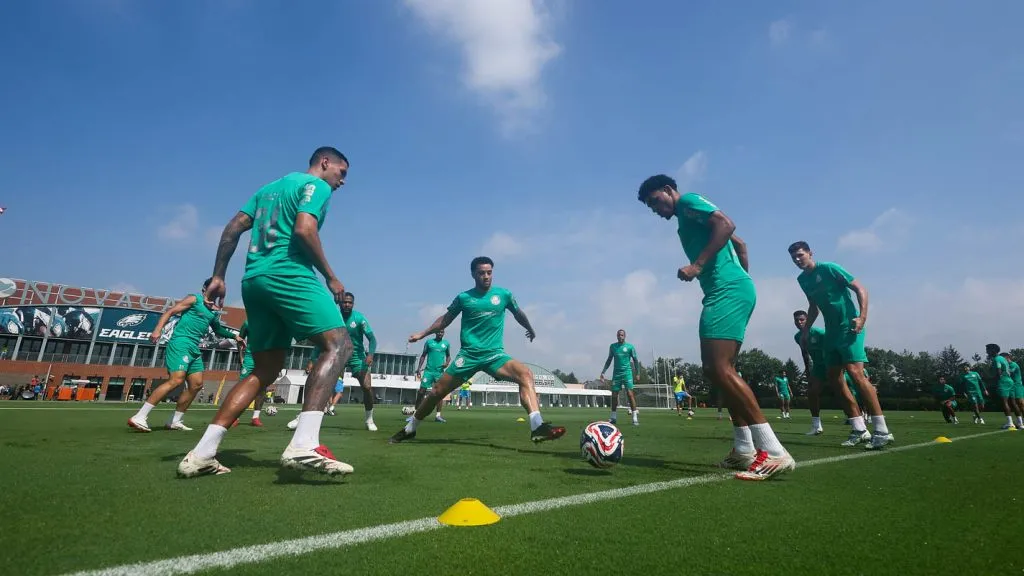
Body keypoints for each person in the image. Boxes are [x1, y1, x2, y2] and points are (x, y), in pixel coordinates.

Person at [177, 146, 356, 478]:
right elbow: (304, 229)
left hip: (254, 280)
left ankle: (202, 452)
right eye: (342, 173)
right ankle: (304, 443)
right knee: (340, 345)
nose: (342, 181)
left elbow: (232, 228)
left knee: (267, 367)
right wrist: (331, 277)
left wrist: (218, 275)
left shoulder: (267, 189)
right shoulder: (315, 187)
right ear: (325, 163)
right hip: (289, 274)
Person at [637, 174, 794, 481]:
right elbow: (740, 244)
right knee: (719, 371)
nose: (655, 210)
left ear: (669, 191)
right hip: (729, 289)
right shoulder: (686, 218)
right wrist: (742, 278)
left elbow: (727, 225)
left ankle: (774, 451)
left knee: (718, 368)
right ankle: (744, 449)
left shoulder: (689, 203)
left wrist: (700, 266)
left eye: (655, 201)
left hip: (726, 292)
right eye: (649, 206)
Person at [390, 256, 566, 444]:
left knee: (525, 374)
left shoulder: (503, 295)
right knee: (436, 392)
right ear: (473, 274)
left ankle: (537, 426)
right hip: (469, 356)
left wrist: (529, 328)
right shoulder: (464, 298)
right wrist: (422, 333)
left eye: (489, 272)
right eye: (481, 273)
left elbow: (518, 313)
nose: (486, 276)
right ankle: (411, 428)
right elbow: (446, 319)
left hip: (495, 355)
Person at [789, 241, 893, 450]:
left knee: (856, 373)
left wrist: (862, 317)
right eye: (794, 257)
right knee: (834, 378)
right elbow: (813, 307)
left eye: (800, 255)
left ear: (810, 253)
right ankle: (859, 429)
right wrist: (806, 331)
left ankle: (882, 431)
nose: (798, 260)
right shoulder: (802, 280)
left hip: (849, 326)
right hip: (831, 332)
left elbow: (860, 288)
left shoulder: (829, 268)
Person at [128, 279, 244, 432]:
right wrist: (158, 329)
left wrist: (235, 336)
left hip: (194, 348)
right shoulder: (194, 299)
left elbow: (218, 330)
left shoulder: (213, 311)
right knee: (176, 380)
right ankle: (140, 416)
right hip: (180, 343)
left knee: (196, 385)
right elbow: (170, 312)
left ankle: (175, 421)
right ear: (205, 288)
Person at [793, 310, 826, 435]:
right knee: (812, 392)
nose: (799, 322)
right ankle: (817, 426)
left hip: (831, 363)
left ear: (808, 320)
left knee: (843, 392)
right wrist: (808, 370)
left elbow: (832, 347)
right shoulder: (797, 337)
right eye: (796, 320)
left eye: (802, 319)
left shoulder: (819, 332)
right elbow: (805, 353)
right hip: (818, 366)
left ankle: (859, 424)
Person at [599, 329, 641, 426]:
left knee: (630, 394)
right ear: (616, 336)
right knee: (614, 395)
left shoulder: (630, 347)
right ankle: (613, 417)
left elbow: (635, 360)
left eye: (622, 335)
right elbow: (609, 359)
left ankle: (634, 417)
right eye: (618, 335)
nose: (620, 337)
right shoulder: (613, 346)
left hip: (627, 373)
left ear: (625, 336)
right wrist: (603, 372)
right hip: (616, 374)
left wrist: (638, 373)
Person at [414, 330, 450, 423]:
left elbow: (448, 356)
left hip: (439, 372)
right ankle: (415, 414)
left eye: (442, 332)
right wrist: (418, 368)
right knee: (421, 391)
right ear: (435, 333)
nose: (440, 333)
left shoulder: (446, 344)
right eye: (439, 332)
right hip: (428, 371)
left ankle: (438, 416)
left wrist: (447, 363)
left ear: (444, 333)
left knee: (439, 394)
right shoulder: (429, 342)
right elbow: (423, 355)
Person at [992, 349, 1024, 429]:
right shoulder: (1006, 364)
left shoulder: (1013, 364)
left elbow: (1009, 372)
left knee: (1020, 403)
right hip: (1012, 384)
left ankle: (1018, 422)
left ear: (1007, 357)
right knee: (1014, 403)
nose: (1003, 360)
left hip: (1017, 385)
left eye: (1004, 358)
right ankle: (1020, 422)